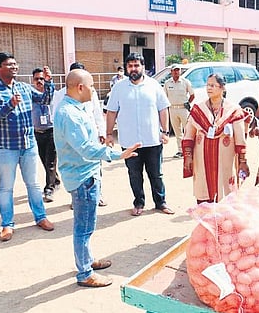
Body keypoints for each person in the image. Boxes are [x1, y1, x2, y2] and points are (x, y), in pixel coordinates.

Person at [54, 69, 140, 287]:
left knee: (88, 225)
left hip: (87, 173)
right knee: (83, 228)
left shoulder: (76, 108)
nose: (93, 90)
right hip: (82, 178)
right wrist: (117, 154)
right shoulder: (69, 114)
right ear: (80, 87)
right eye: (91, 86)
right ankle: (84, 273)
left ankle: (88, 261)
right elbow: (85, 149)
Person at [0, 51, 54, 242]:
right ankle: (7, 225)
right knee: (6, 187)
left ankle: (40, 217)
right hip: (5, 146)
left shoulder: (24, 87)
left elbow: (44, 100)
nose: (14, 67)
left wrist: (49, 83)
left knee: (33, 184)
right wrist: (9, 105)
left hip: (28, 144)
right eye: (9, 64)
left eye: (15, 64)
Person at [106, 52, 174, 216]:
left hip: (152, 140)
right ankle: (139, 202)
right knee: (134, 175)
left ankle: (161, 202)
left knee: (156, 174)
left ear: (143, 67)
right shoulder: (119, 88)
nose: (133, 68)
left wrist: (165, 132)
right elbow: (111, 112)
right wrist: (108, 134)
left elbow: (163, 109)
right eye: (130, 66)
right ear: (127, 68)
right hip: (129, 142)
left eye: (137, 65)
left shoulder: (154, 85)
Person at [182, 73, 250, 203]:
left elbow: (240, 139)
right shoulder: (198, 109)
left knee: (225, 194)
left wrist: (242, 161)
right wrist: (188, 156)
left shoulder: (233, 110)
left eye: (213, 85)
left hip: (225, 161)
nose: (209, 88)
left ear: (222, 87)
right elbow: (188, 136)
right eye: (207, 85)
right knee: (203, 192)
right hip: (201, 160)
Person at [52, 62, 108, 207]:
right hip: (72, 139)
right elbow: (56, 117)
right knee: (76, 168)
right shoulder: (61, 95)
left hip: (90, 135)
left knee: (95, 166)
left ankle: (97, 194)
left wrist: (101, 132)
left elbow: (96, 112)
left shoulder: (91, 92)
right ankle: (76, 198)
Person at [31, 67, 60, 202]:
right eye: (37, 79)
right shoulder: (31, 95)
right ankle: (56, 179)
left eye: (42, 79)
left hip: (51, 132)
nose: (39, 81)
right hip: (37, 133)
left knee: (50, 162)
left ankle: (49, 189)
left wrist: (50, 82)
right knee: (44, 160)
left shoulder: (53, 94)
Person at [164, 64, 195, 158]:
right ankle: (180, 150)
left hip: (183, 109)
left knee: (188, 130)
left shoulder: (185, 82)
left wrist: (188, 103)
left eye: (178, 70)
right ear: (171, 72)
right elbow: (164, 97)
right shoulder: (167, 83)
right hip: (172, 109)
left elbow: (192, 95)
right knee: (177, 131)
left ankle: (190, 150)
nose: (176, 72)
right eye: (174, 70)